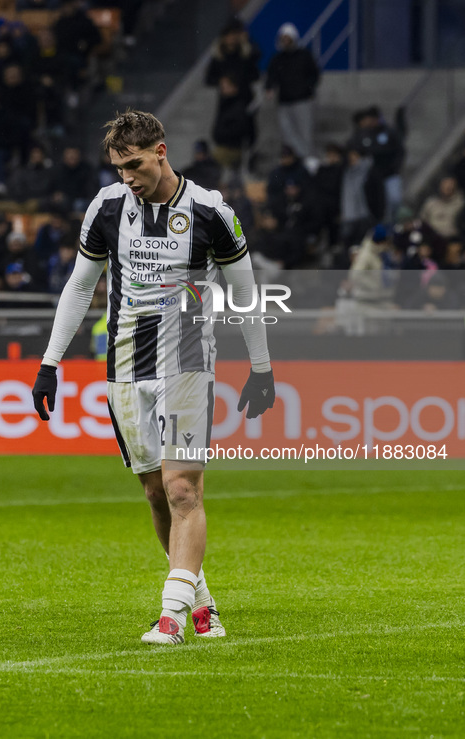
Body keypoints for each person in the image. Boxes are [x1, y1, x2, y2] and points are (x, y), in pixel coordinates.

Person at [32, 110, 275, 646]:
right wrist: (51, 362)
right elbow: (79, 287)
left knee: (183, 487)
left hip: (188, 361)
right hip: (124, 365)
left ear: (161, 152)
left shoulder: (211, 212)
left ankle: (171, 616)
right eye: (118, 167)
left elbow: (245, 292)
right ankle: (201, 600)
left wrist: (261, 367)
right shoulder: (108, 206)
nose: (128, 177)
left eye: (135, 165)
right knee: (155, 494)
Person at [265, 23, 320, 159]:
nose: (285, 42)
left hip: (302, 100)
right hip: (284, 101)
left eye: (288, 38)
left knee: (305, 132)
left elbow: (314, 74)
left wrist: (307, 89)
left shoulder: (304, 56)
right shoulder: (277, 59)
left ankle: (308, 159)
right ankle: (293, 159)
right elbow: (271, 77)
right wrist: (269, 88)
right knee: (287, 133)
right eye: (283, 39)